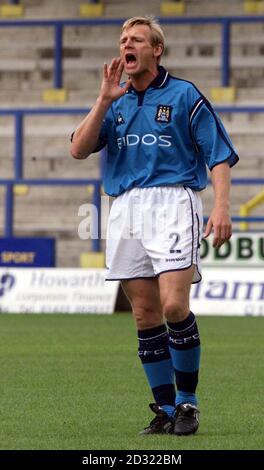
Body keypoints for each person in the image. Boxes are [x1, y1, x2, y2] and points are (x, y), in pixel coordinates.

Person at [70, 15, 238, 436]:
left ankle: (188, 403)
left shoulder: (184, 95)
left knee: (174, 307)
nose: (127, 44)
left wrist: (221, 208)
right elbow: (77, 149)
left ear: (156, 49)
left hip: (173, 201)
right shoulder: (117, 100)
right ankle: (164, 409)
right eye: (123, 39)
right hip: (126, 206)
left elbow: (218, 155)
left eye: (137, 39)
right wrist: (103, 100)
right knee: (144, 314)